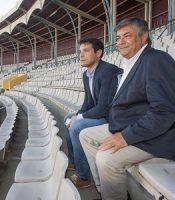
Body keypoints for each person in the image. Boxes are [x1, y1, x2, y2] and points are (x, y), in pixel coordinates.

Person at [79, 18, 175, 199]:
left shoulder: (156, 60)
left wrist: (125, 137)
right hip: (129, 125)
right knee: (85, 135)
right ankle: (104, 189)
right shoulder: (131, 63)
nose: (120, 42)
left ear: (144, 37)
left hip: (157, 136)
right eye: (118, 38)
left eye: (127, 36)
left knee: (107, 159)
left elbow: (164, 112)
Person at [64, 37, 120, 188]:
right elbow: (88, 102)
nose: (81, 55)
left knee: (76, 126)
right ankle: (74, 161)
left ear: (98, 53)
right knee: (67, 118)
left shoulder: (108, 71)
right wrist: (76, 115)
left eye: (86, 51)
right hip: (100, 113)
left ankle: (84, 176)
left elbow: (104, 107)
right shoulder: (86, 74)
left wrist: (79, 117)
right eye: (80, 51)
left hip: (110, 118)